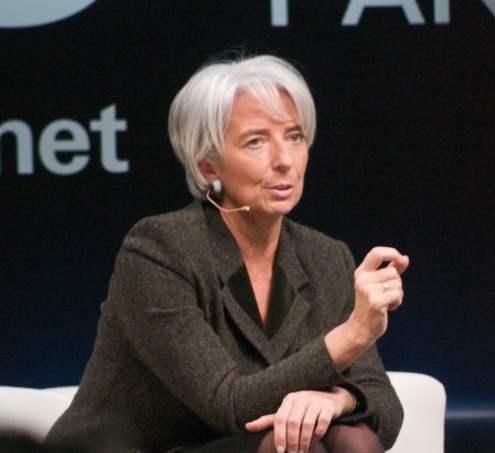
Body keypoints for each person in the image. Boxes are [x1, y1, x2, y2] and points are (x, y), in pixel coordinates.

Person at [44, 54, 409, 453]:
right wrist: (353, 334)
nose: (284, 160)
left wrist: (339, 399)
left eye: (294, 137)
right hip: (142, 447)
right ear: (209, 167)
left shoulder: (326, 257)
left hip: (239, 444)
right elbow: (229, 404)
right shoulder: (159, 250)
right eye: (256, 141)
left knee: (352, 438)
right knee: (295, 446)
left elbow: (385, 407)